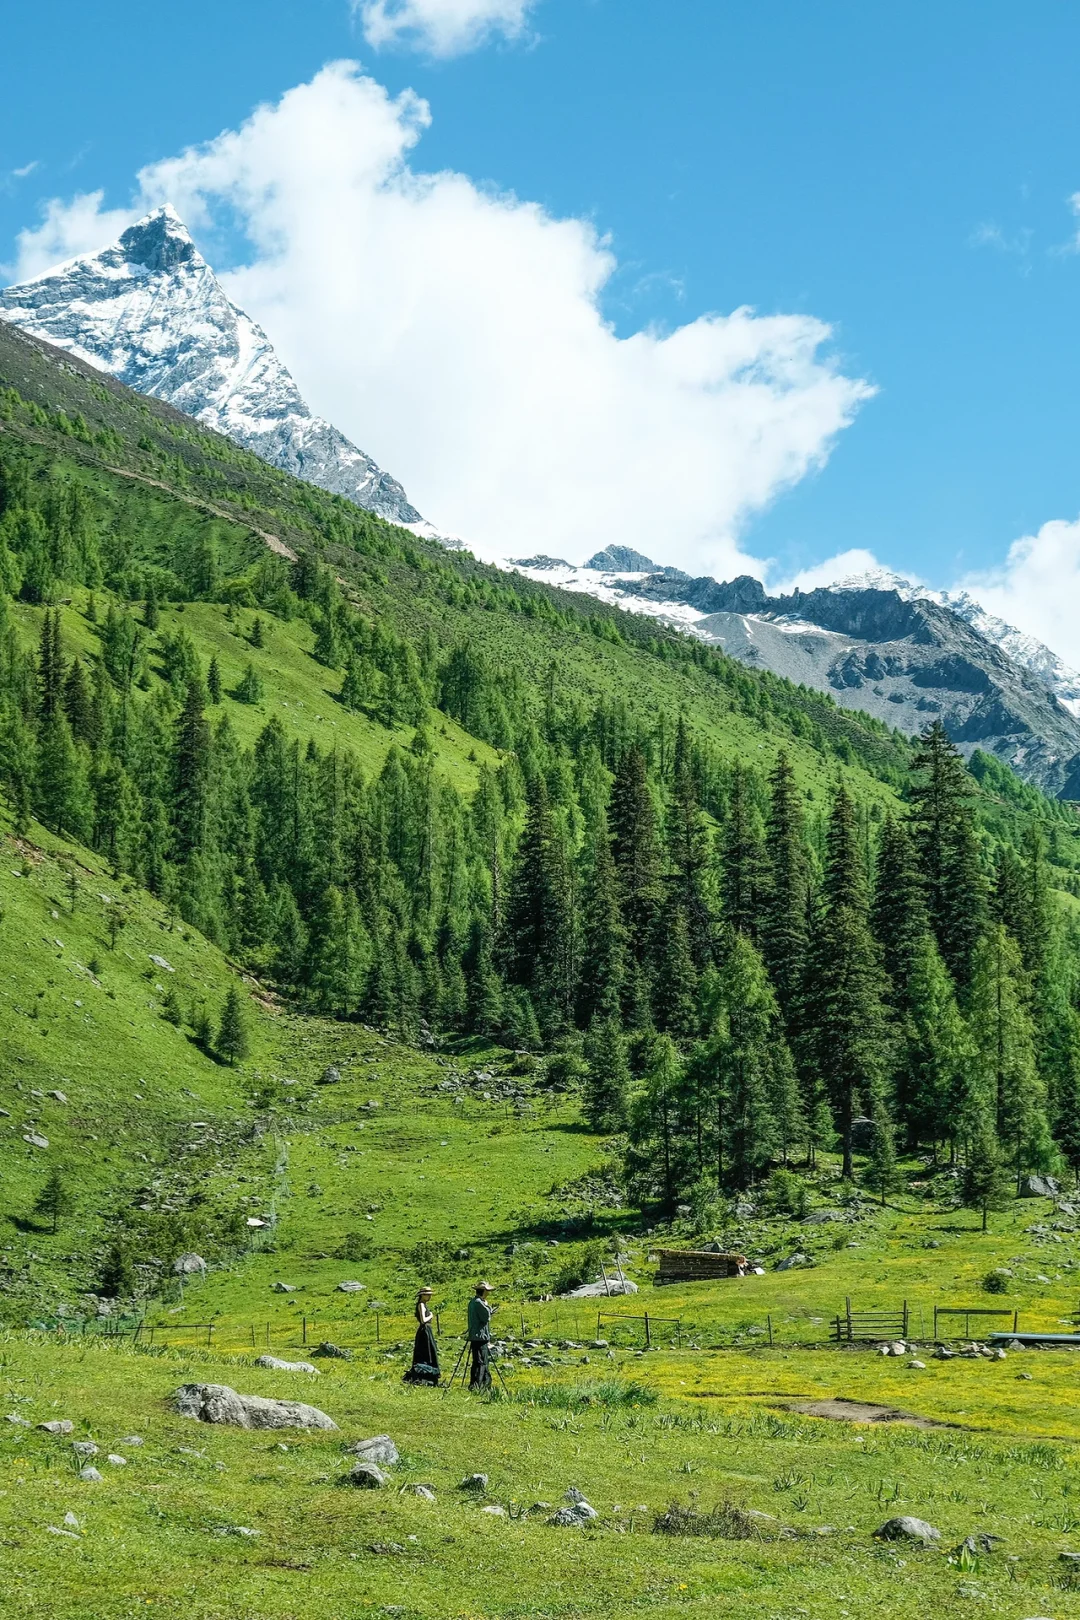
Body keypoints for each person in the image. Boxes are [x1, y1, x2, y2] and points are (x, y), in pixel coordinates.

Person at [403, 1286, 440, 1385]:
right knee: (426, 1352)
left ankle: (427, 1375)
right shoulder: (421, 1305)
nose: (429, 1297)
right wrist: (431, 1315)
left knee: (428, 1352)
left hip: (426, 1331)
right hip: (425, 1330)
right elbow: (423, 1320)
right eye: (428, 1295)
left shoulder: (423, 1305)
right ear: (422, 1295)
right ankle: (424, 1375)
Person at [467, 1280, 495, 1390]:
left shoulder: (472, 1302)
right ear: (483, 1291)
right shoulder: (480, 1303)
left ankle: (481, 1384)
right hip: (480, 1336)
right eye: (487, 1291)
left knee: (478, 1361)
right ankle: (478, 1385)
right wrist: (488, 1307)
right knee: (481, 1362)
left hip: (475, 1336)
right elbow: (486, 1317)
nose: (488, 1293)